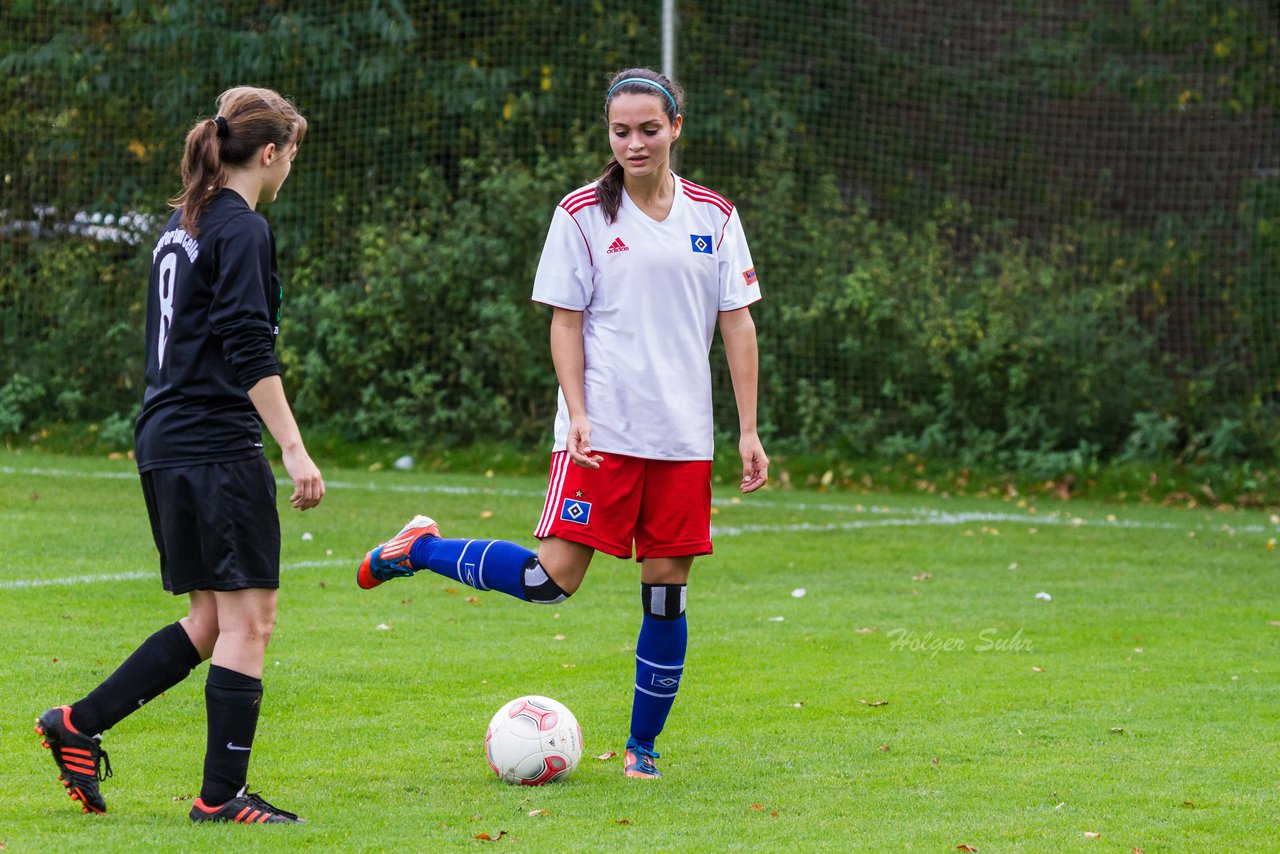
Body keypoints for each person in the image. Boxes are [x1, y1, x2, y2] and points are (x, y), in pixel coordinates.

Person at [357, 67, 768, 779]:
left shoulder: (715, 217)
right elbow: (565, 324)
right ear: (608, 135)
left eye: (648, 129)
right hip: (600, 435)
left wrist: (748, 429)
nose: (634, 142)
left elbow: (738, 325)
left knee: (666, 598)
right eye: (621, 131)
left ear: (676, 128)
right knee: (551, 582)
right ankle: (420, 550)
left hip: (682, 442)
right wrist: (577, 413)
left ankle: (642, 750)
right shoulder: (582, 213)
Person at [35, 86, 324, 823]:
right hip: (212, 443)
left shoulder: (183, 222)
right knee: (251, 617)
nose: (290, 167)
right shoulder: (242, 228)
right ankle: (221, 798)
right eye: (291, 154)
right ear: (269, 153)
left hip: (165, 439)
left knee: (211, 618)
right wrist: (292, 448)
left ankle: (78, 723)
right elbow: (247, 345)